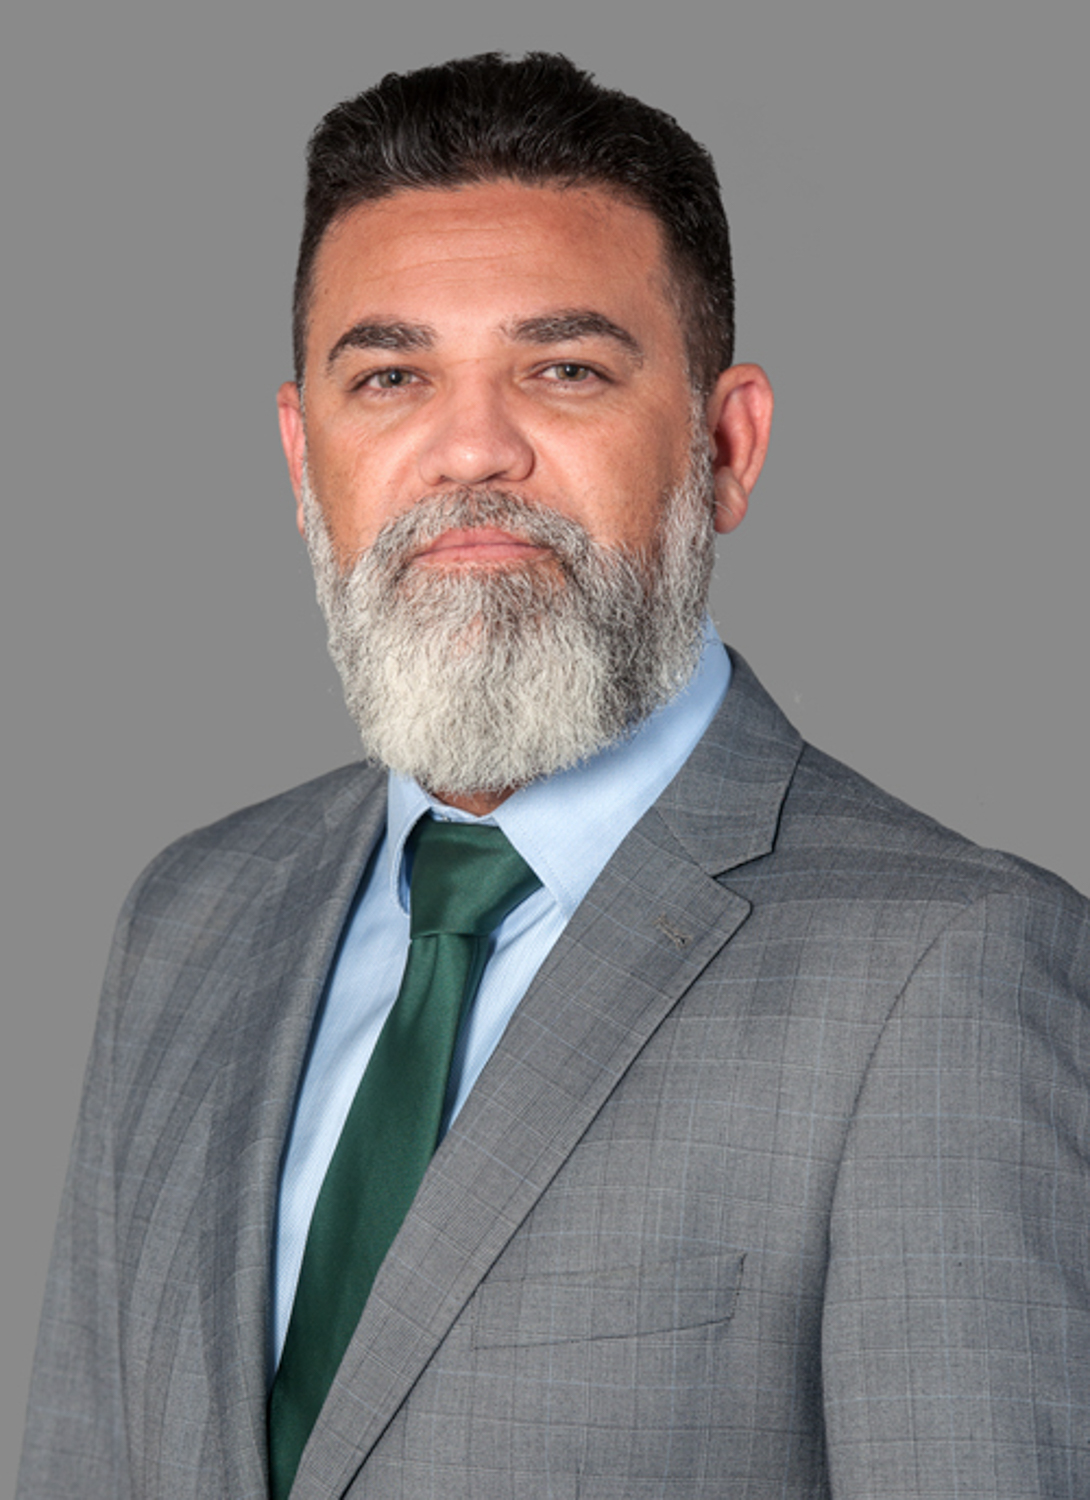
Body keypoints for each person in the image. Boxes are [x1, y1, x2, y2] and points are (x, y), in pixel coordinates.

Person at [17, 50, 1090, 1500]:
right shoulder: (189, 919)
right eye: (389, 377)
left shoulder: (947, 971)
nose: (470, 450)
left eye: (564, 370)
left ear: (725, 445)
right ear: (303, 455)